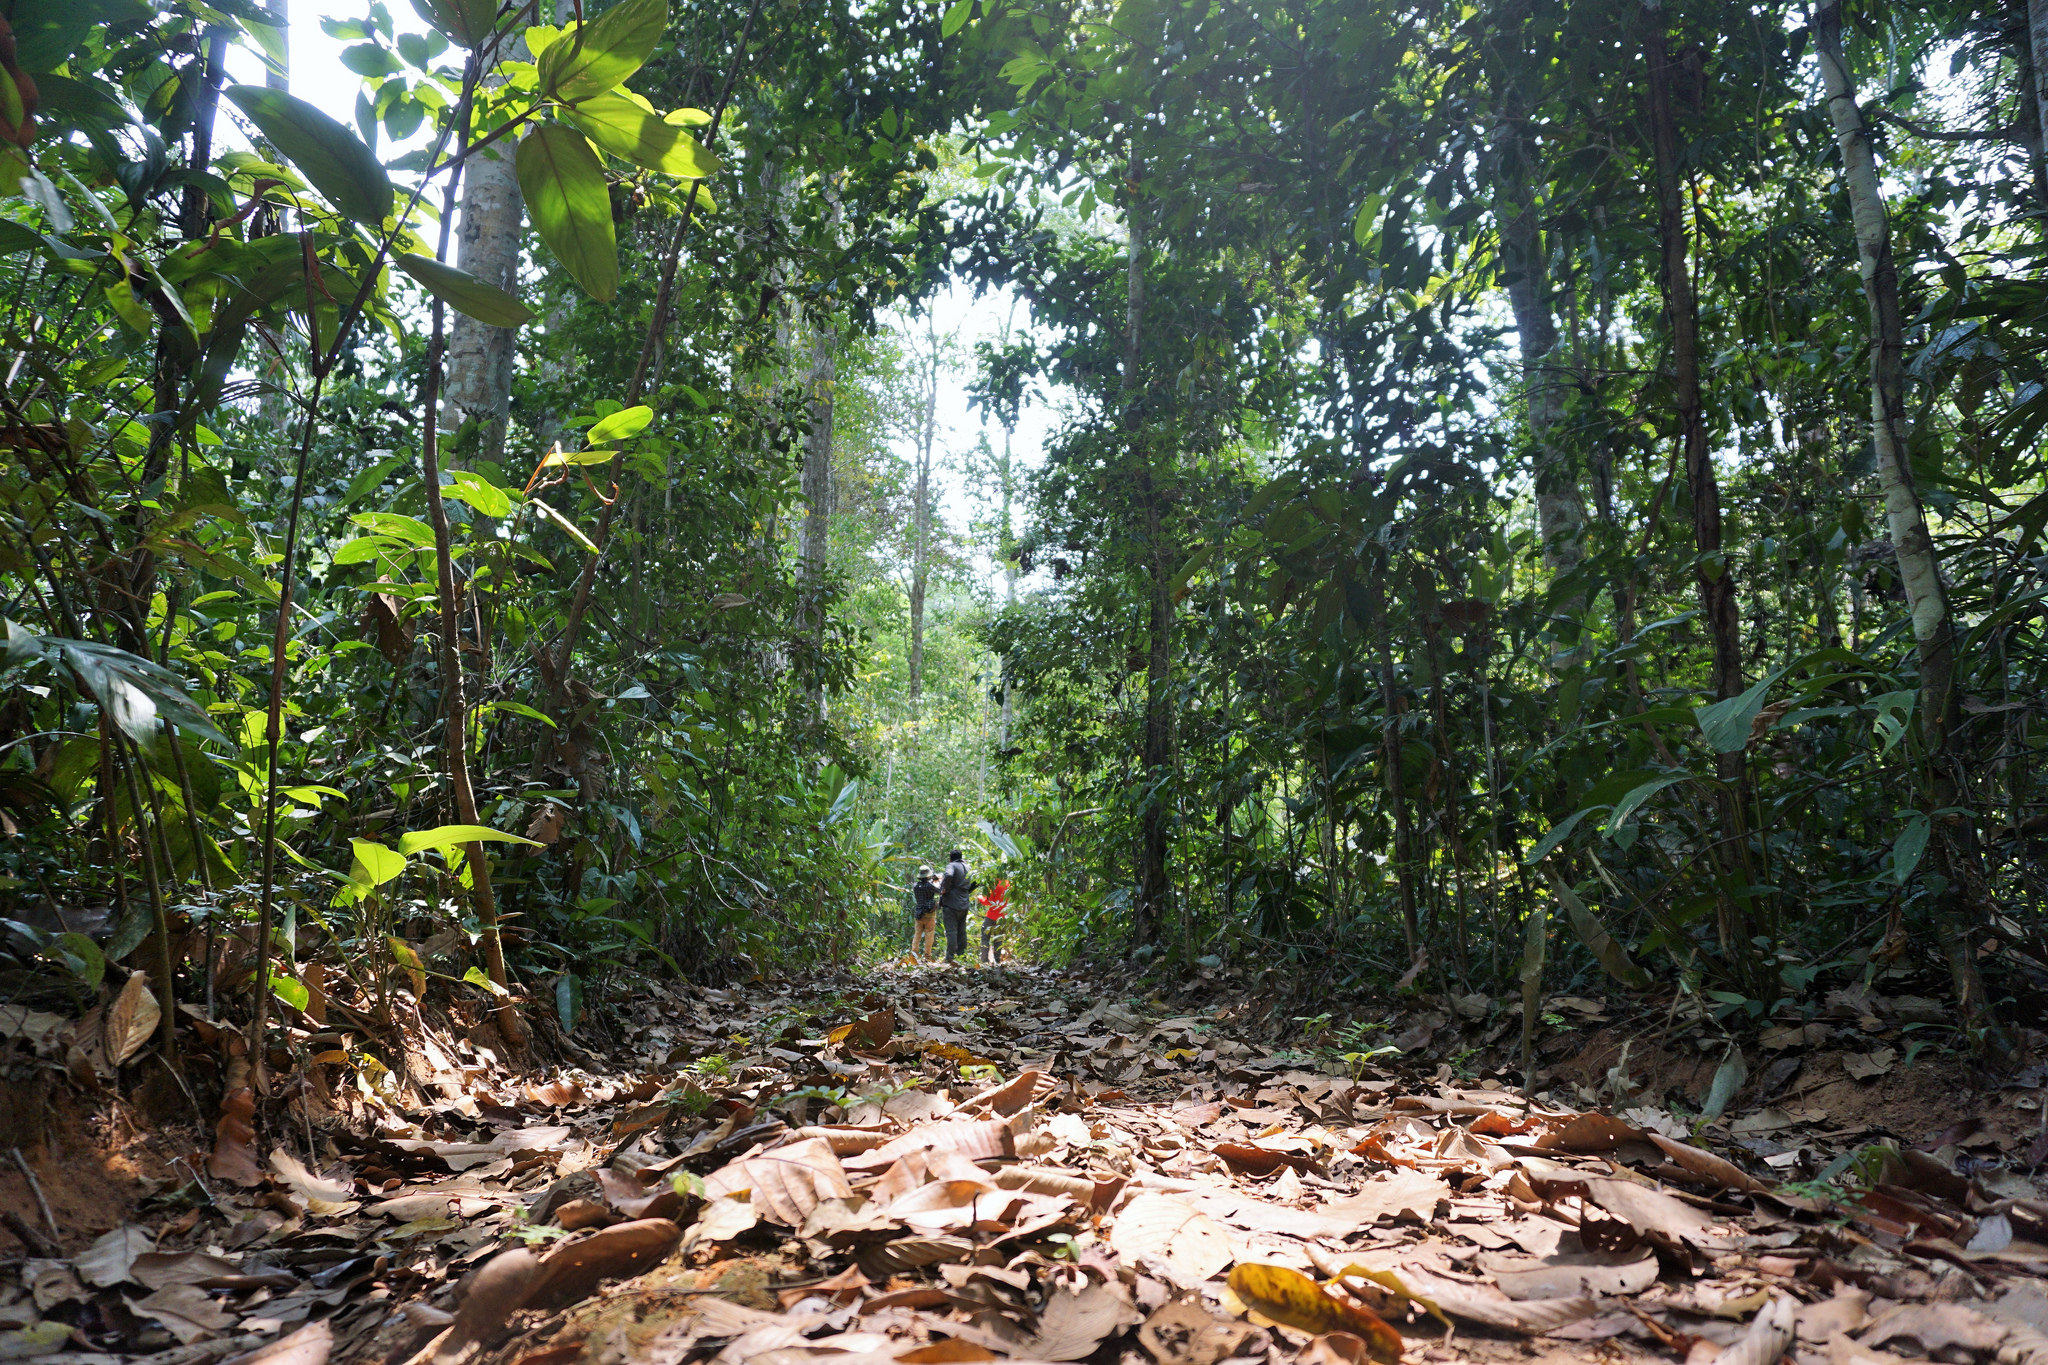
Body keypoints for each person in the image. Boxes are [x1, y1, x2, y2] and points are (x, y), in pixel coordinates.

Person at [938, 848, 973, 962]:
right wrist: (967, 891)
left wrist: (945, 889)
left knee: (951, 931)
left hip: (951, 903)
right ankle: (962, 956)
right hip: (964, 903)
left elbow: (948, 876)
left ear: (950, 858)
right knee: (962, 931)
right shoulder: (968, 867)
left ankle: (950, 957)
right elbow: (976, 881)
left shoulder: (951, 865)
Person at [977, 874, 1010, 965]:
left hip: (991, 916)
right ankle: (997, 960)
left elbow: (988, 901)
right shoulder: (1008, 885)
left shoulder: (995, 885)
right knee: (998, 939)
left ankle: (984, 960)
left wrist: (980, 897)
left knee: (985, 937)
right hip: (1003, 917)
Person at [909, 865, 939, 961]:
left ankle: (913, 955)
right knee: (929, 935)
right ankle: (927, 956)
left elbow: (924, 886)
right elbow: (940, 890)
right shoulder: (930, 886)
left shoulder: (915, 886)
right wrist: (936, 881)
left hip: (919, 913)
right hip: (929, 914)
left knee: (917, 934)